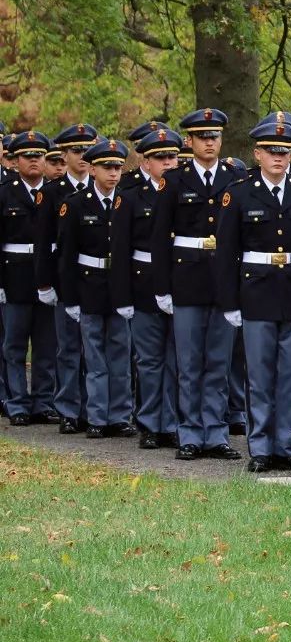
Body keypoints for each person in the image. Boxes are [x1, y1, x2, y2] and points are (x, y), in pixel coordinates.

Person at [214, 114, 291, 473]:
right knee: (259, 374)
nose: (279, 157)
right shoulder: (240, 192)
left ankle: (285, 443)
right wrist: (229, 301)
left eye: (285, 151)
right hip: (256, 291)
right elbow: (226, 251)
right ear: (257, 154)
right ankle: (260, 446)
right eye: (271, 151)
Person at [151, 107, 248, 461]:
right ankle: (189, 432)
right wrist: (162, 287)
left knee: (219, 362)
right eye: (203, 137)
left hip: (223, 283)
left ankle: (217, 432)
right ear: (189, 141)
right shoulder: (173, 181)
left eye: (215, 136)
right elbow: (159, 238)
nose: (210, 142)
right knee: (190, 363)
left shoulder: (235, 179)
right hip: (187, 281)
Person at [57, 138, 135, 439]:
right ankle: (97, 416)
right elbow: (65, 254)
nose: (113, 173)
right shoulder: (75, 204)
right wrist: (70, 297)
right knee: (94, 356)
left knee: (120, 353)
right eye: (107, 167)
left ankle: (119, 415)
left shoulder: (126, 201)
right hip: (88, 284)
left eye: (117, 167)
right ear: (92, 169)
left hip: (119, 287)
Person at [111, 128, 181, 449]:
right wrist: (123, 296)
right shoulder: (129, 194)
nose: (168, 162)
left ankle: (172, 421)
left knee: (176, 360)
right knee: (150, 360)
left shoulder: (185, 190)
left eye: (173, 156)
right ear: (146, 160)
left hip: (181, 283)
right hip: (144, 283)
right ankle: (151, 422)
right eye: (161, 158)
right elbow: (121, 249)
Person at [36, 122, 99, 433]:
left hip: (95, 282)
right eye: (76, 151)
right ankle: (68, 409)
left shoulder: (104, 188)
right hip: (66, 278)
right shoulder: (52, 193)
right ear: (64, 154)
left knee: (95, 350)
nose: (83, 156)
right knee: (69, 348)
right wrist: (45, 283)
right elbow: (45, 244)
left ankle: (93, 409)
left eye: (88, 149)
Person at [0, 131, 59, 426]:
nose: (34, 161)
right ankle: (17, 403)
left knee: (46, 344)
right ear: (15, 160)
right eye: (27, 156)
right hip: (15, 275)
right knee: (14, 345)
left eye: (39, 156)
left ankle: (43, 402)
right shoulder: (4, 192)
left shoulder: (55, 191)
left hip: (47, 275)